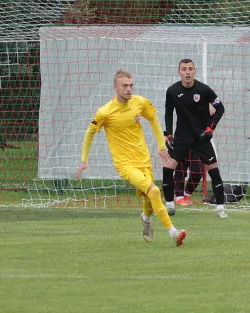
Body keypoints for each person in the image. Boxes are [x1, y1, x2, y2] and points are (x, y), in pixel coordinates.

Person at [77, 70, 186, 246]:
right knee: (155, 191)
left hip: (144, 160)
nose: (129, 89)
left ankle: (146, 219)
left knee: (148, 197)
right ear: (115, 88)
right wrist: (84, 160)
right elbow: (90, 132)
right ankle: (173, 232)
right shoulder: (105, 112)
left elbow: (154, 120)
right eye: (125, 86)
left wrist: (161, 147)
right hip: (125, 164)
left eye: (131, 85)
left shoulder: (140, 102)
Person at [162, 59, 227, 217]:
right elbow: (168, 113)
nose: (187, 72)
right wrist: (168, 134)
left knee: (214, 170)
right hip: (182, 137)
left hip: (201, 138)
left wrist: (210, 128)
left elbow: (220, 108)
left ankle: (220, 209)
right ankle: (170, 204)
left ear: (194, 71)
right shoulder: (172, 91)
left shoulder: (204, 90)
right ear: (179, 72)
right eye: (184, 69)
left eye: (190, 69)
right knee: (168, 168)